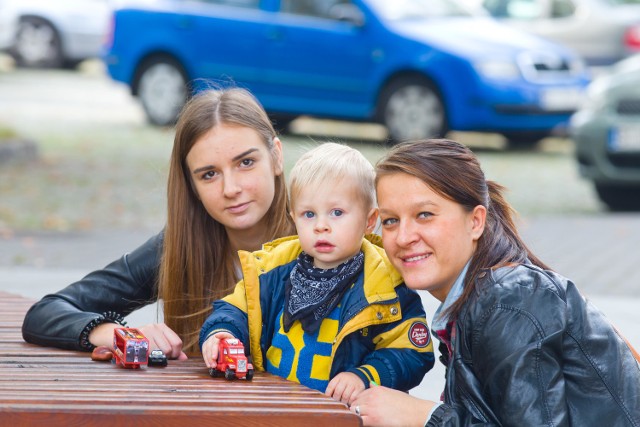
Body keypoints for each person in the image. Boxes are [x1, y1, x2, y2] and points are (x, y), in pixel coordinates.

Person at [350, 139, 640, 426]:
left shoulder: (509, 302)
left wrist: (425, 417)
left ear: (475, 221)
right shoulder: (478, 302)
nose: (403, 237)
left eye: (424, 215)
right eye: (390, 221)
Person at [21, 87, 295, 359]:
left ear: (276, 157)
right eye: (209, 174)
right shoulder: (180, 248)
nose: (231, 188)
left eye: (246, 162)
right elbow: (46, 312)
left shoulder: (325, 237)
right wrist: (117, 335)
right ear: (193, 187)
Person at [200, 142, 434, 403]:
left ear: (369, 221)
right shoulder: (273, 270)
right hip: (273, 407)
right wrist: (223, 332)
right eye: (309, 214)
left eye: (337, 213)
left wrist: (366, 376)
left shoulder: (385, 283)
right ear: (294, 217)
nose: (321, 226)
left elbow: (412, 352)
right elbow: (236, 308)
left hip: (344, 415)